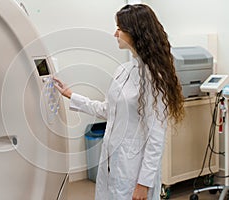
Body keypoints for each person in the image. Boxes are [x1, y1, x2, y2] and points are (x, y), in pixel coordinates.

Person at [54, 4, 184, 200]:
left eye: (120, 28)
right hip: (112, 163)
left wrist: (143, 184)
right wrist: (72, 95)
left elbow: (156, 136)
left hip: (134, 171)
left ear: (135, 32)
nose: (115, 33)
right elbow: (109, 110)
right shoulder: (124, 70)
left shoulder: (153, 77)